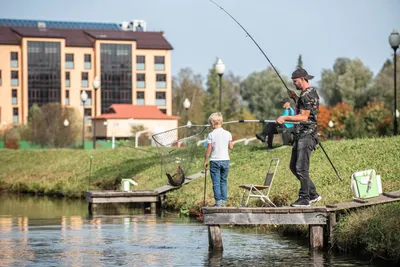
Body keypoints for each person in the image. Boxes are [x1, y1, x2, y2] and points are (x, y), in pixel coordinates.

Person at [276, 68, 322, 207]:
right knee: (293, 166)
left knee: (301, 168)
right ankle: (313, 194)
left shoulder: (307, 95)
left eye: (295, 81)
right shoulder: (307, 93)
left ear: (302, 79)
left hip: (307, 135)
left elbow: (303, 116)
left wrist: (285, 117)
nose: (294, 83)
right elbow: (305, 108)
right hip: (301, 135)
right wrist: (295, 98)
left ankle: (304, 198)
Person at [204, 112, 233, 207]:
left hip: (215, 161)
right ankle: (223, 202)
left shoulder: (211, 135)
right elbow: (231, 147)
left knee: (216, 183)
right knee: (223, 181)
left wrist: (205, 160)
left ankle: (218, 203)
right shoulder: (228, 133)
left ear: (212, 123)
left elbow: (209, 149)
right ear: (222, 122)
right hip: (225, 160)